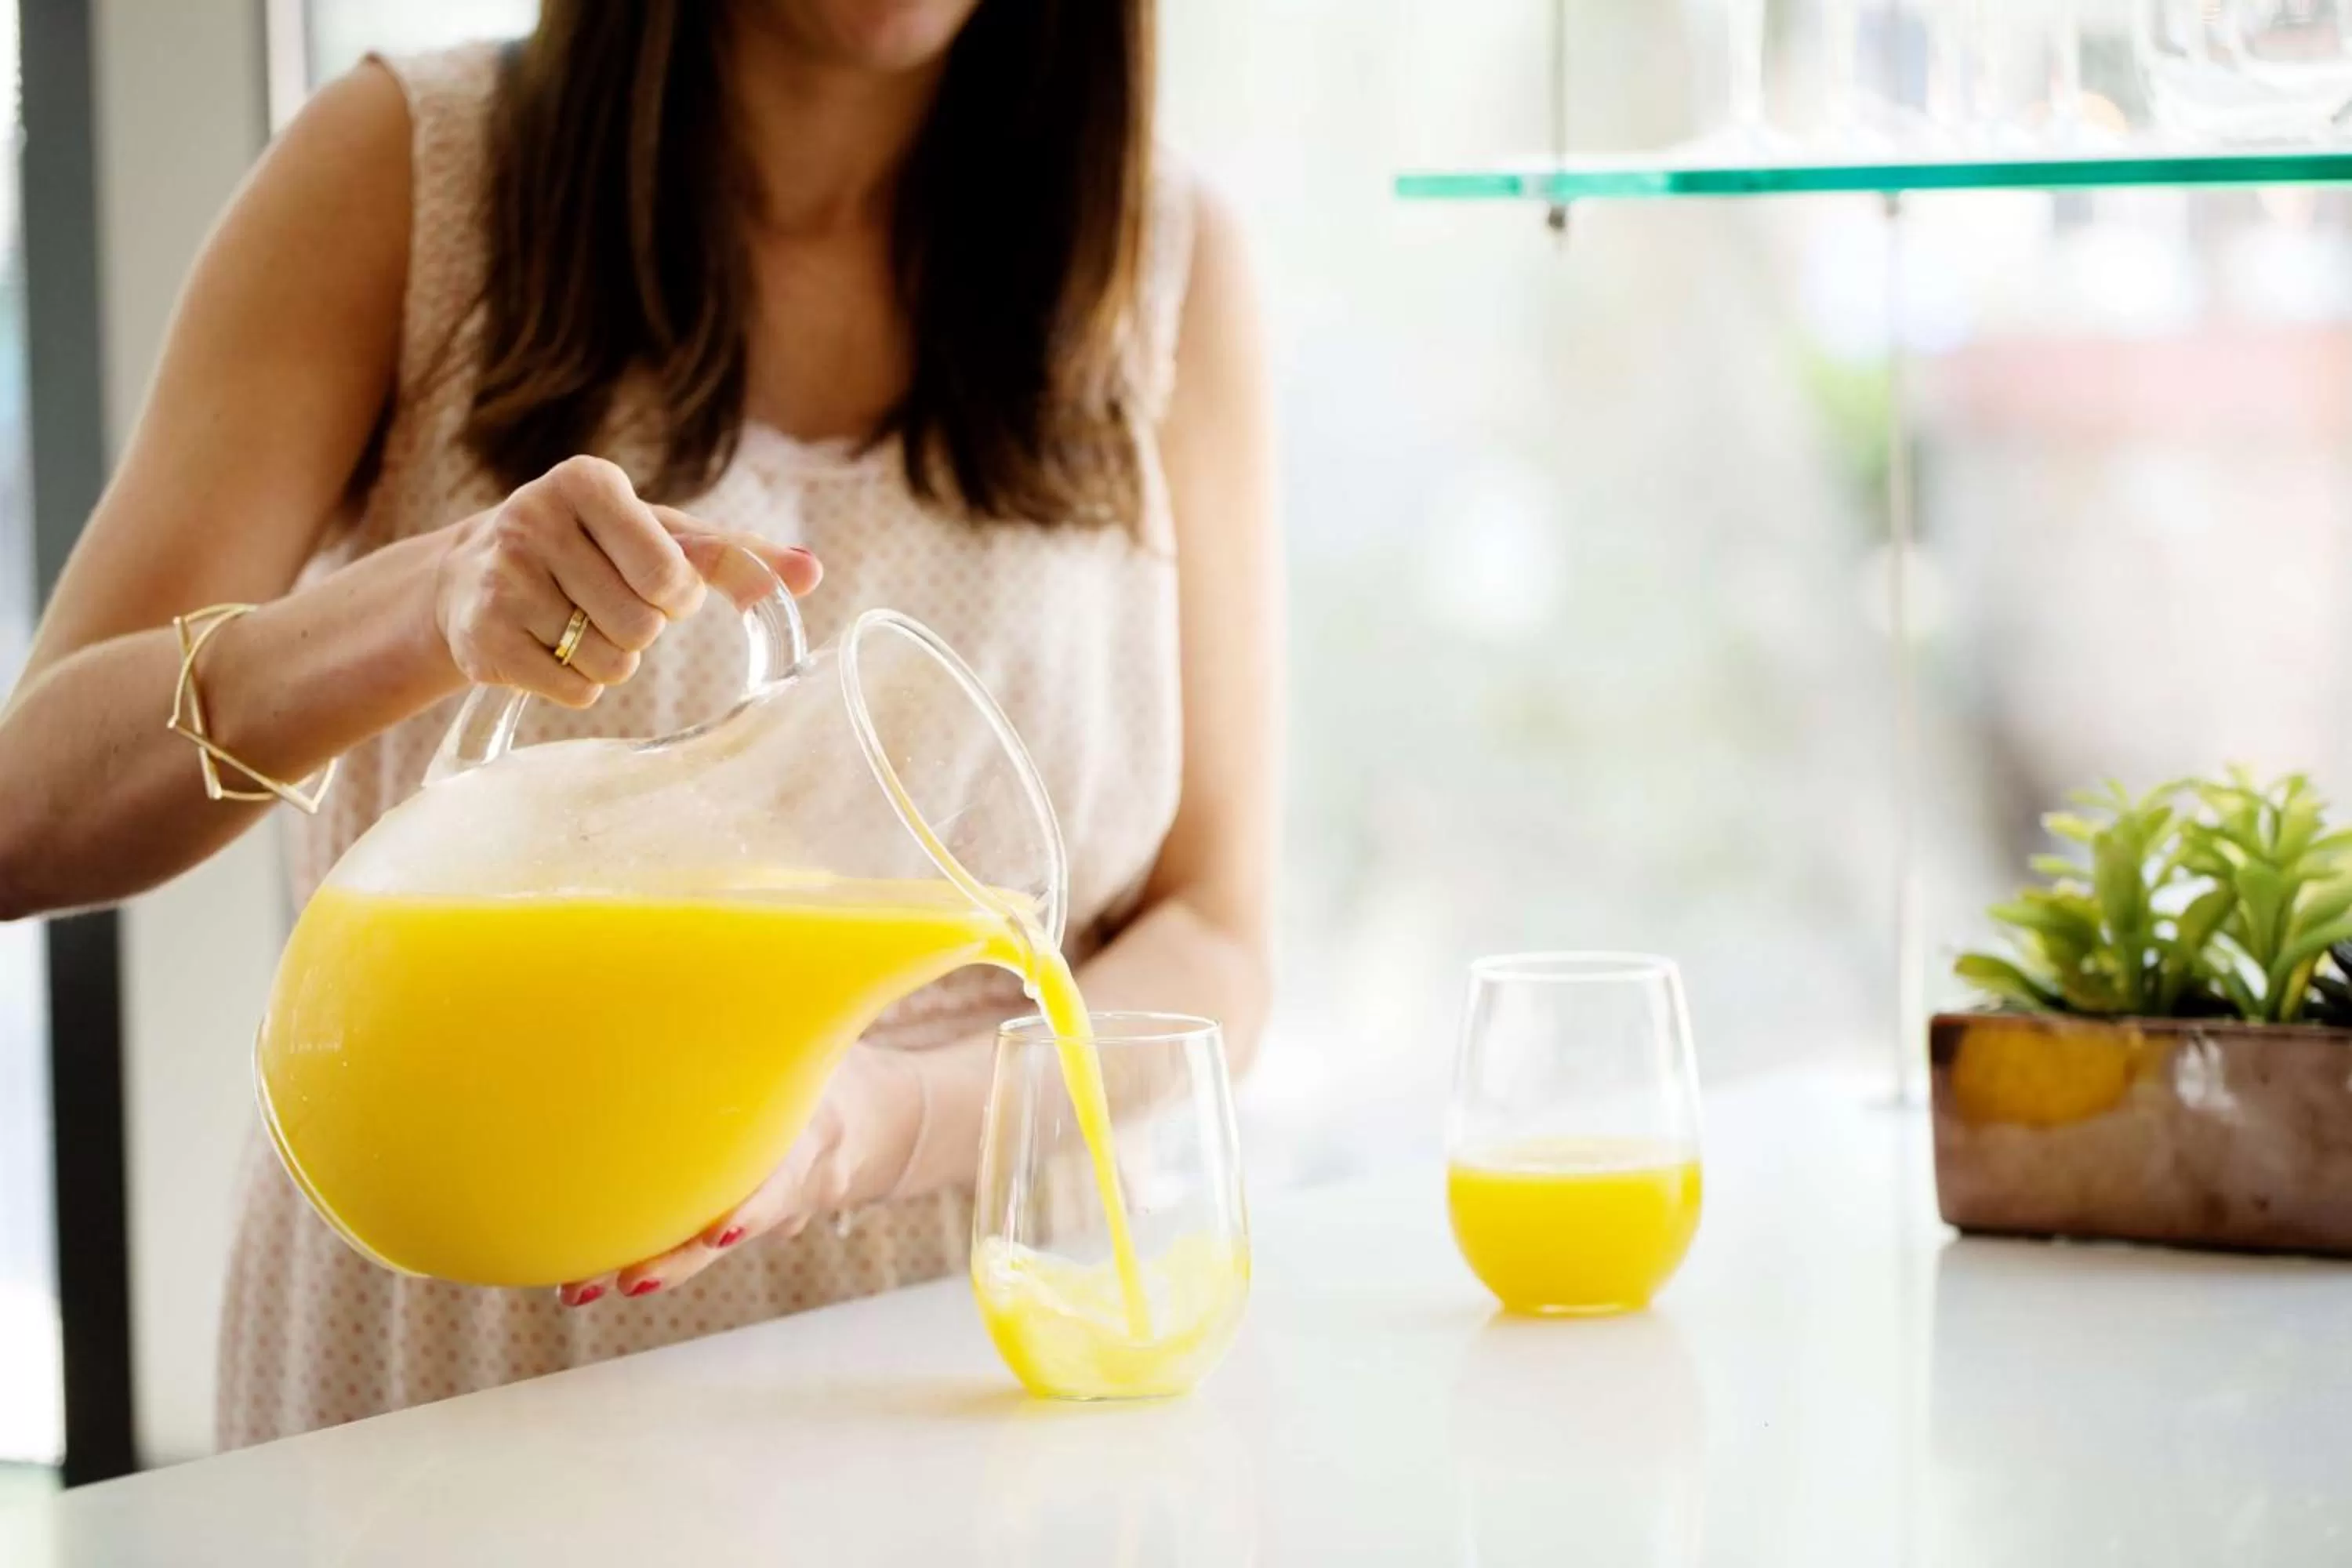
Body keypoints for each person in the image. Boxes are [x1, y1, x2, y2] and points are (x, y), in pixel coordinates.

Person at [0, 0, 1278, 1447]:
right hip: (466, 1337)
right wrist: (427, 606)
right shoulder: (408, 172)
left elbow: (1215, 935)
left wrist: (879, 1125)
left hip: (943, 1362)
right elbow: (25, 815)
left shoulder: (1157, 262)